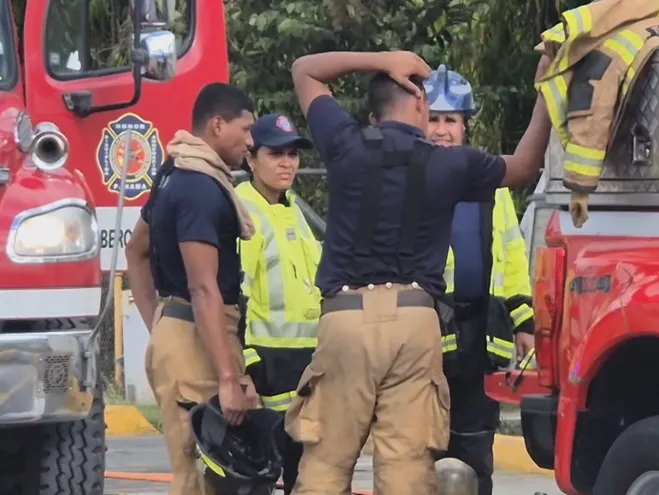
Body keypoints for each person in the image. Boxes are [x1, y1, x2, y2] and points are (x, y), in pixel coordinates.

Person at [283, 49, 552, 494]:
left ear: (375, 111)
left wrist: (381, 59)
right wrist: (545, 91)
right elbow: (524, 165)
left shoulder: (345, 143)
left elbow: (304, 69)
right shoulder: (451, 164)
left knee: (326, 463)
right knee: (406, 471)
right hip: (416, 321)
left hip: (346, 319)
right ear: (421, 104)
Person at [125, 82, 258, 495]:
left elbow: (136, 251)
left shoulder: (173, 174)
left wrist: (160, 324)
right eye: (245, 130)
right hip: (197, 338)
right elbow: (203, 288)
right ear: (217, 125)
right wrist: (227, 377)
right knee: (202, 477)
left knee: (211, 473)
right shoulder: (200, 188)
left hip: (184, 331)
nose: (250, 142)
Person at [425, 64, 536, 495]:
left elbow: (511, 253)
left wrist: (523, 321)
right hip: (428, 332)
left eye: (450, 120)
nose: (441, 130)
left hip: (482, 333)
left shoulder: (492, 180)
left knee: (475, 450)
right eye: (433, 119)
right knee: (423, 448)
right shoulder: (413, 177)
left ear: (465, 126)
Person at [236, 113, 322, 493]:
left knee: (304, 476)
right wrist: (244, 368)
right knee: (260, 477)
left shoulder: (293, 209)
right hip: (265, 365)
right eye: (275, 154)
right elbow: (233, 298)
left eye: (293, 154)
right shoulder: (243, 211)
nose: (287, 163)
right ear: (251, 159)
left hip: (305, 364)